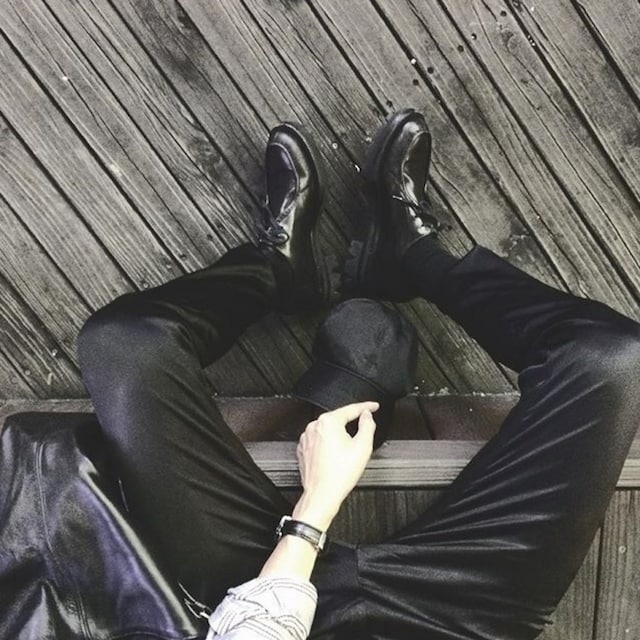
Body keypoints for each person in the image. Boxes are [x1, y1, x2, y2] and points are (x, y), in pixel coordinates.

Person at [77, 109, 640, 640]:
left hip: (255, 587)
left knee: (125, 344)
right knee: (610, 357)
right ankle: (417, 258)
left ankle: (275, 268)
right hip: (457, 615)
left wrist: (316, 505)